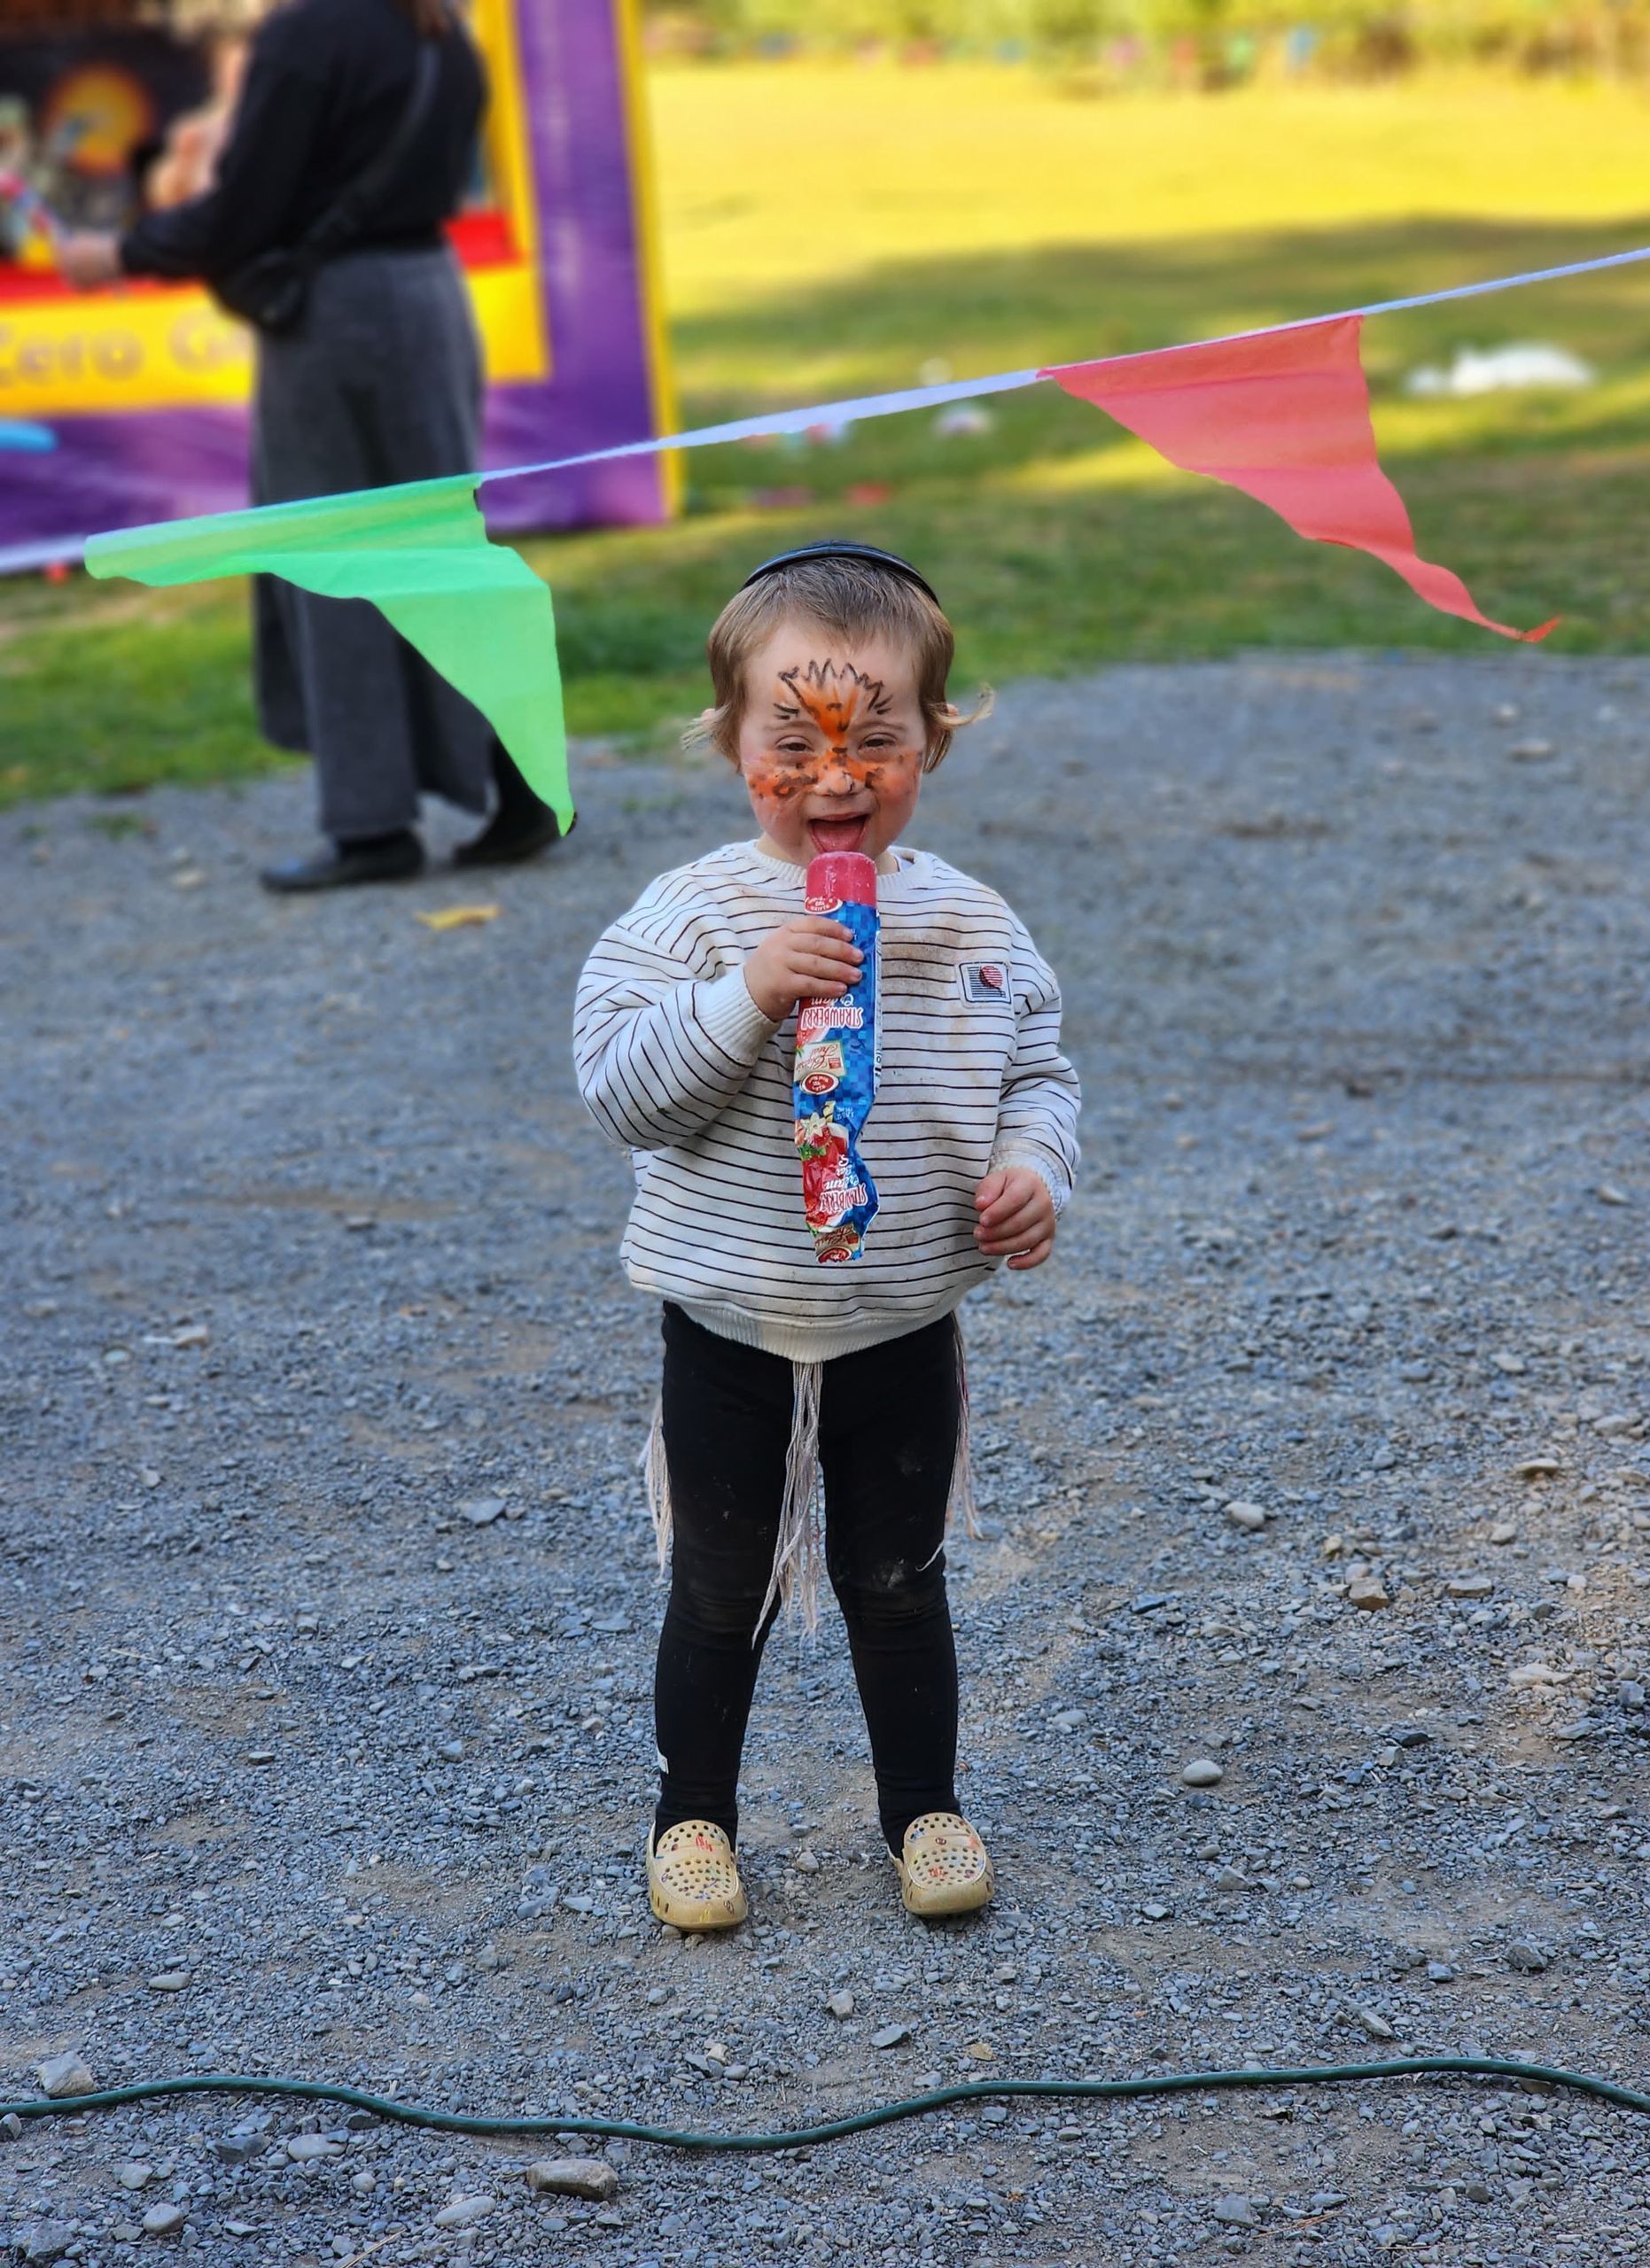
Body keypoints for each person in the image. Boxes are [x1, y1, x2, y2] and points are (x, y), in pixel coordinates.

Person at [573, 540, 1080, 1930]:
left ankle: (924, 1809)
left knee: (901, 1584)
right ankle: (692, 1821)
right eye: (792, 743)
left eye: (879, 740)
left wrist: (1032, 1167)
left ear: (936, 740)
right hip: (730, 1325)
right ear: (731, 741)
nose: (836, 777)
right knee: (717, 1587)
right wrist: (747, 993)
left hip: (902, 1323)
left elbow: (1039, 1071)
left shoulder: (967, 923)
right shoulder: (693, 918)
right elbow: (623, 1092)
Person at [58, 0, 559, 891]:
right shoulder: (438, 25)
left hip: (337, 320)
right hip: (430, 296)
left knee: (332, 558)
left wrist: (120, 252)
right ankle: (519, 786)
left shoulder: (307, 32)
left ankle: (371, 824)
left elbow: (245, 212)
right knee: (444, 553)